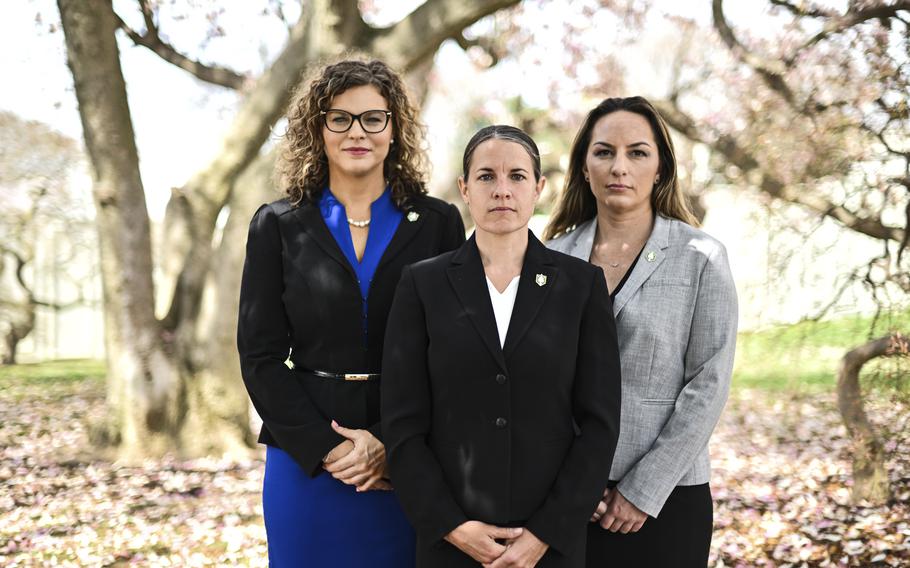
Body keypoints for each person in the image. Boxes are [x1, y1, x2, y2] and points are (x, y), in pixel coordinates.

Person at [237, 59, 465, 567]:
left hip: (408, 453)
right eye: (339, 118)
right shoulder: (277, 225)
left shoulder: (438, 223)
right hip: (306, 459)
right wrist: (328, 449)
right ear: (318, 131)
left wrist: (389, 441)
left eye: (372, 118)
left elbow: (450, 352)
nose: (356, 132)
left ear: (394, 129)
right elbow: (260, 355)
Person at [382, 125, 622, 568]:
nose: (502, 191)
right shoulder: (422, 284)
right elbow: (402, 424)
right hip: (450, 542)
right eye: (486, 177)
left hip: (550, 544)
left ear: (538, 188)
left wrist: (546, 533)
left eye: (516, 177)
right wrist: (451, 525)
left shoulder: (581, 285)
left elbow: (599, 424)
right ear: (465, 189)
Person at [545, 96, 738, 567]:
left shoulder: (702, 258)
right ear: (583, 166)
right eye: (604, 151)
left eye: (637, 152)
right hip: (564, 501)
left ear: (661, 168)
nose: (619, 167)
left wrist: (642, 490)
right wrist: (570, 482)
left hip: (666, 500)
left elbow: (708, 385)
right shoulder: (549, 258)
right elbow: (535, 382)